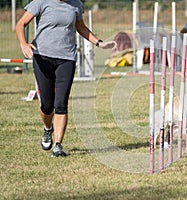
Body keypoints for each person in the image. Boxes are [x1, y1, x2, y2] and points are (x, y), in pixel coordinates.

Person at [16, 0, 117, 157]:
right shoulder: (41, 2)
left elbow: (81, 27)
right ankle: (48, 129)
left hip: (67, 58)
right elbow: (21, 24)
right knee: (47, 105)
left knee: (61, 103)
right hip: (42, 57)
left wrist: (99, 43)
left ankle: (58, 145)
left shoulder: (76, 4)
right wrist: (23, 44)